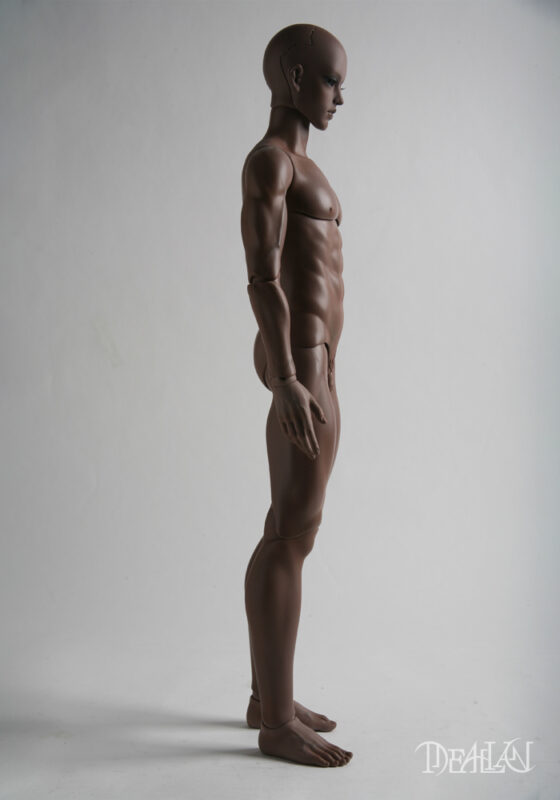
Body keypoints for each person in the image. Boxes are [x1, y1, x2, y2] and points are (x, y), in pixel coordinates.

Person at [241, 24, 352, 768]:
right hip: (300, 365)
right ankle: (276, 724)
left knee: (292, 530)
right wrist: (285, 377)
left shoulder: (304, 164)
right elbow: (263, 276)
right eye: (333, 81)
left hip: (321, 363)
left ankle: (265, 696)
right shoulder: (271, 161)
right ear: (294, 76)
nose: (341, 97)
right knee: (290, 532)